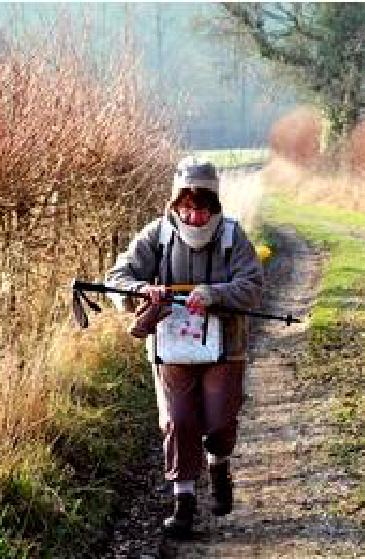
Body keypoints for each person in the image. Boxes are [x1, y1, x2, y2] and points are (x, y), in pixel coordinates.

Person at [105, 156, 264, 538]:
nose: (194, 217)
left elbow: (253, 285)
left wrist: (215, 294)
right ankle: (184, 503)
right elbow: (117, 276)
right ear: (176, 203)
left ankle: (219, 463)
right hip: (171, 349)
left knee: (219, 423)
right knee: (178, 421)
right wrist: (141, 290)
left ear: (214, 204)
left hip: (225, 347)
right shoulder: (156, 235)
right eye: (187, 207)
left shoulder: (233, 236)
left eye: (202, 207)